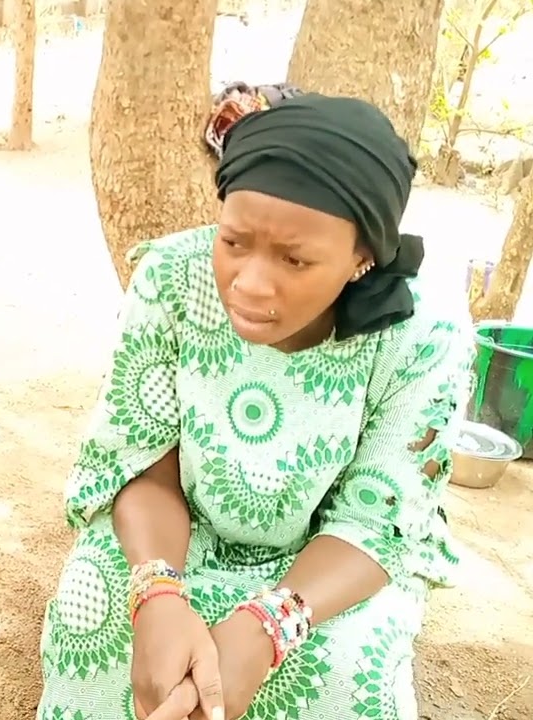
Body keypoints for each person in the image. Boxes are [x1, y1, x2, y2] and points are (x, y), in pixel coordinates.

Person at [37, 94, 475, 720]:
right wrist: (158, 591)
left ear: (362, 258)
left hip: (330, 564)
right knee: (95, 605)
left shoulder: (425, 336)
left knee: (352, 670)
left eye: (295, 259)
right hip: (178, 532)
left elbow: (379, 521)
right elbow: (142, 459)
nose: (249, 282)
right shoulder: (171, 280)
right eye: (234, 242)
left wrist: (269, 625)